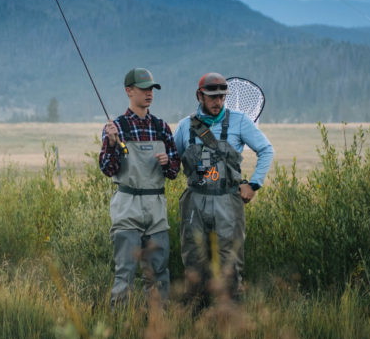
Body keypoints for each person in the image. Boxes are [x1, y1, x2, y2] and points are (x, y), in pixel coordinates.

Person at [173, 72, 274, 307]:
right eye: (212, 97)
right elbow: (172, 160)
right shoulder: (185, 126)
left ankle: (231, 322)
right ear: (200, 95)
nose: (218, 102)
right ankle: (196, 320)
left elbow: (266, 150)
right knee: (194, 262)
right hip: (194, 202)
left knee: (230, 263)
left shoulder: (240, 121)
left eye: (222, 96)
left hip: (228, 201)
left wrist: (254, 184)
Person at [99, 67, 181, 307]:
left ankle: (158, 328)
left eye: (152, 89)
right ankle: (119, 330)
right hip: (127, 207)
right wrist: (113, 144)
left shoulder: (161, 127)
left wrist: (168, 162)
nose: (149, 94)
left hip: (156, 207)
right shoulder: (116, 128)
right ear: (129, 91)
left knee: (159, 274)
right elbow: (107, 169)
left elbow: (175, 171)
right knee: (124, 273)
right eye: (144, 89)